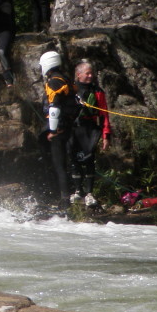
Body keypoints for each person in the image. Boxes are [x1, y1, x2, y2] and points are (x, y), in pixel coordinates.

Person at [68, 60, 113, 207]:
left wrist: (106, 135)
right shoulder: (71, 89)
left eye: (91, 73)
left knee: (88, 160)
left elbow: (104, 115)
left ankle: (89, 193)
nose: (90, 76)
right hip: (73, 128)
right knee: (74, 159)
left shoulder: (97, 91)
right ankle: (77, 191)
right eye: (87, 73)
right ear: (78, 74)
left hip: (90, 129)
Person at [39, 50, 77, 205]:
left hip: (59, 127)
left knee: (59, 164)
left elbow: (54, 108)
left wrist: (53, 131)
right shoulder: (65, 78)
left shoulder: (54, 82)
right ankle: (70, 195)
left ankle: (64, 199)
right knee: (67, 161)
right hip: (68, 125)